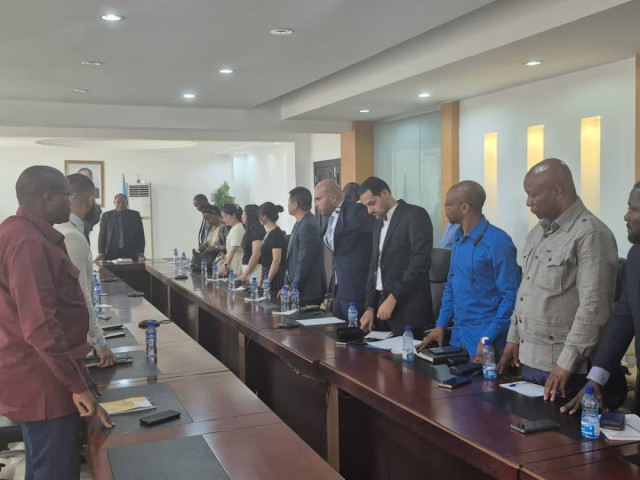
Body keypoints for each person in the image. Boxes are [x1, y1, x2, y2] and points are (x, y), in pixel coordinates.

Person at [0, 166, 112, 479]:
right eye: (67, 195)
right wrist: (77, 385)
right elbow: (41, 327)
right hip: (45, 382)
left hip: (41, 373)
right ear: (47, 197)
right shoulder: (29, 243)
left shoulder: (24, 231)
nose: (71, 201)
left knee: (42, 465)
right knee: (55, 469)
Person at [497, 158, 618, 402]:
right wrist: (513, 337)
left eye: (533, 195)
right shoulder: (537, 233)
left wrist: (566, 362)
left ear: (557, 191)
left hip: (567, 370)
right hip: (530, 362)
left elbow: (594, 308)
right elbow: (525, 292)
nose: (528, 202)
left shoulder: (591, 234)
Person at [418, 181, 520, 362]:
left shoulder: (498, 242)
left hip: (487, 343)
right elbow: (451, 286)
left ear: (464, 207)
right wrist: (441, 325)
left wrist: (488, 336)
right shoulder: (458, 239)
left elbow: (511, 297)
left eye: (447, 204)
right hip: (458, 338)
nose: (445, 209)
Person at [561, 182, 640, 415]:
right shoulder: (635, 257)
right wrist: (596, 378)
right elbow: (622, 321)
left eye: (634, 209)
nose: (626, 216)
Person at [359, 176, 434, 336]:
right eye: (366, 206)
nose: (369, 210)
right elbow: (374, 265)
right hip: (380, 306)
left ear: (385, 193)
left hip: (407, 306)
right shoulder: (377, 223)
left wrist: (394, 297)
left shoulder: (414, 215)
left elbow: (420, 262)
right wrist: (369, 306)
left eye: (372, 203)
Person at [55, 174, 116, 367]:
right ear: (90, 199)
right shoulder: (71, 236)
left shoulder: (59, 228)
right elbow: (81, 293)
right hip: (72, 335)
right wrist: (99, 341)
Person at [314, 178, 375, 319]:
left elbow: (377, 241)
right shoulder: (330, 217)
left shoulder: (357, 212)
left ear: (332, 197)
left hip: (357, 288)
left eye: (318, 199)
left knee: (354, 331)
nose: (316, 205)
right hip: (338, 288)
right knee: (337, 330)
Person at [284, 187, 326, 304]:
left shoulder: (308, 226)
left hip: (307, 291)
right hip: (297, 288)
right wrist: (287, 283)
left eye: (289, 202)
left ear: (295, 205)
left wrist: (294, 289)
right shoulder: (299, 223)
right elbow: (291, 259)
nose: (287, 205)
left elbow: (304, 262)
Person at [95, 194, 146, 262]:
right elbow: (102, 235)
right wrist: (101, 252)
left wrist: (141, 252)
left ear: (127, 202)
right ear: (114, 203)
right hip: (111, 252)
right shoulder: (106, 216)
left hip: (131, 252)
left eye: (123, 202)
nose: (121, 204)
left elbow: (140, 235)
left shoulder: (135, 215)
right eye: (118, 202)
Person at [258, 202, 287, 292]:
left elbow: (276, 260)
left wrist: (268, 280)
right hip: (266, 272)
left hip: (274, 274)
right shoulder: (269, 232)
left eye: (259, 216)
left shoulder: (276, 233)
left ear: (264, 217)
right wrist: (261, 278)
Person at [238, 204, 266, 283]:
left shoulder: (257, 230)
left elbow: (256, 254)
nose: (242, 216)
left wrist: (245, 274)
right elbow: (245, 254)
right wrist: (240, 271)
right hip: (247, 268)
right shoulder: (249, 230)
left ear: (249, 216)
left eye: (243, 214)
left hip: (255, 269)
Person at [217, 204, 245, 276]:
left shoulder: (238, 228)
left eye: (225, 216)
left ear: (234, 215)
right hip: (233, 264)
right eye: (223, 217)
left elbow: (233, 250)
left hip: (237, 265)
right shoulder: (234, 227)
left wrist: (225, 265)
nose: (224, 219)